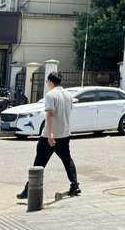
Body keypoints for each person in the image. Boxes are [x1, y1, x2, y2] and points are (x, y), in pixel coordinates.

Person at [17, 71, 80, 199]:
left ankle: (29, 190)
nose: (47, 84)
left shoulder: (50, 95)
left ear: (51, 82)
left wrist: (50, 134)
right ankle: (75, 185)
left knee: (39, 162)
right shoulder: (68, 95)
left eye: (47, 81)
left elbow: (50, 115)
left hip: (49, 136)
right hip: (64, 134)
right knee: (67, 160)